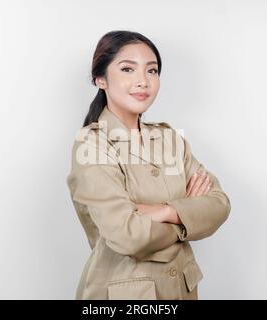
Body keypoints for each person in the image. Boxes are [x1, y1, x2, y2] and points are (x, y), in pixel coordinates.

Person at [66, 30, 231, 300]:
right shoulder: (92, 145)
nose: (143, 81)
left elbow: (219, 204)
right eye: (128, 69)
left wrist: (165, 212)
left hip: (180, 290)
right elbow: (126, 235)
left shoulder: (170, 139)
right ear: (101, 79)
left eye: (152, 71)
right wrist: (188, 216)